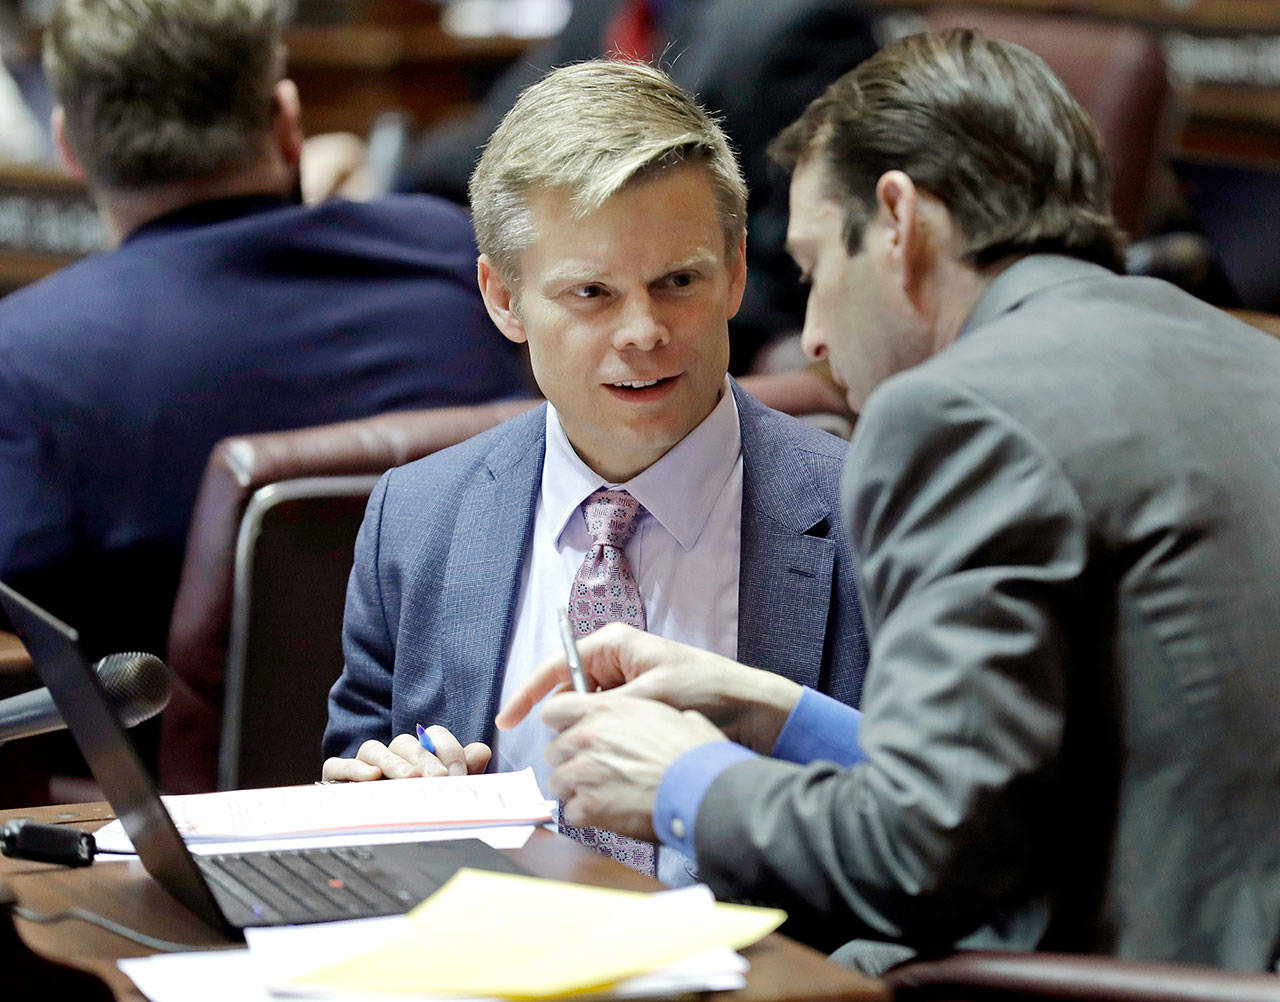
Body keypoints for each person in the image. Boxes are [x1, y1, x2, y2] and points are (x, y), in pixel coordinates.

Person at [497, 30, 1280, 971]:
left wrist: (681, 778)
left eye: (818, 266)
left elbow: (927, 854)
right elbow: (1014, 784)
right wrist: (779, 710)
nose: (815, 337)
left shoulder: (954, 412)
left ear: (900, 222)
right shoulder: (1245, 353)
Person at [321, 59, 869, 887]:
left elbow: (932, 827)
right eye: (591, 293)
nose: (644, 331)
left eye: (678, 282)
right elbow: (353, 770)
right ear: (503, 299)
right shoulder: (419, 516)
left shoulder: (868, 514)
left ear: (737, 273)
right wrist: (395, 793)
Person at [0, 0, 530, 662]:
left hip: (180, 763)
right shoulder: (461, 263)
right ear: (286, 120)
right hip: (475, 741)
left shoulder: (26, 355)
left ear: (67, 148)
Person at [393, 0, 879, 372]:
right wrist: (393, 158)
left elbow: (793, 264)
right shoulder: (604, 10)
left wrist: (670, 286)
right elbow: (497, 133)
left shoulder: (798, 24)